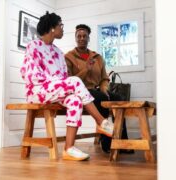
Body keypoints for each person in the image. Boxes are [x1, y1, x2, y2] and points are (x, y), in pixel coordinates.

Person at [20, 12, 114, 161]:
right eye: (60, 26)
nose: (62, 29)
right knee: (75, 81)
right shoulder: (33, 47)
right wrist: (54, 81)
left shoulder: (58, 53)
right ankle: (101, 121)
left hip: (55, 91)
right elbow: (29, 74)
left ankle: (68, 148)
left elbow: (64, 78)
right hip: (38, 91)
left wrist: (58, 83)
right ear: (52, 28)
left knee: (75, 100)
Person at [65, 24, 134, 154]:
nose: (81, 38)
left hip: (97, 91)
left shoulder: (97, 57)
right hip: (81, 93)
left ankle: (123, 141)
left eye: (84, 36)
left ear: (88, 38)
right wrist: (86, 69)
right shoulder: (68, 57)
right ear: (75, 38)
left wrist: (104, 89)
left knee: (119, 99)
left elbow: (104, 78)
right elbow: (69, 81)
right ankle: (108, 143)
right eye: (79, 36)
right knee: (101, 99)